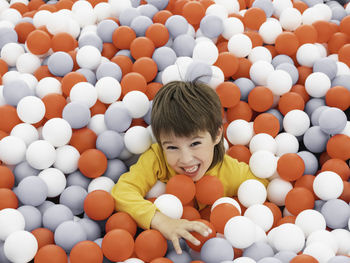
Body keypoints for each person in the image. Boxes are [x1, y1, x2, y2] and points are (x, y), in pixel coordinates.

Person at [111, 80, 268, 254]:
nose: (186, 159)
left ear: (217, 135)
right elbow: (122, 191)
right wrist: (161, 220)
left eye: (195, 143)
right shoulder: (157, 158)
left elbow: (262, 186)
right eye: (172, 147)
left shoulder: (230, 172)